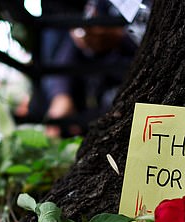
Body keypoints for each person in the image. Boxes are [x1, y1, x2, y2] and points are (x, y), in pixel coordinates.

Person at [38, 0, 151, 138]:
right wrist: (61, 94)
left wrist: (120, 39)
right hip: (101, 89)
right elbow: (69, 49)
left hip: (136, 83)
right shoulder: (99, 4)